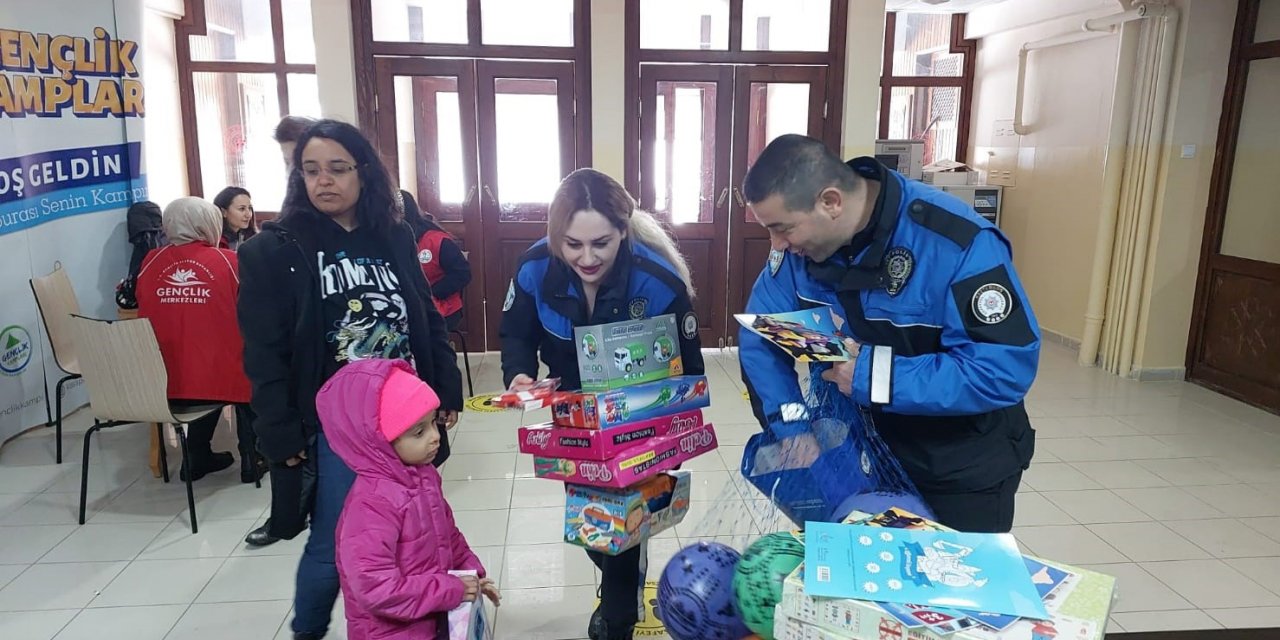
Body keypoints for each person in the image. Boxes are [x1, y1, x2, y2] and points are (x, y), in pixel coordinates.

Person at [738, 134, 1040, 534]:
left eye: (783, 228)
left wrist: (870, 376)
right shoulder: (798, 258)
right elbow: (763, 337)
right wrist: (793, 428)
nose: (776, 245)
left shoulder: (955, 242)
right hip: (854, 461)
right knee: (854, 588)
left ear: (831, 202)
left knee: (947, 589)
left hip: (957, 468)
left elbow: (1003, 366)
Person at [238, 119, 464, 640]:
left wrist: (443, 389)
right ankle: (308, 631)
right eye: (311, 170)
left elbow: (423, 317)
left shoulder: (395, 235)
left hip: (405, 412)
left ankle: (412, 619)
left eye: (338, 169)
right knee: (337, 541)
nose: (324, 181)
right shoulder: (276, 251)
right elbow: (264, 355)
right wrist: (278, 432)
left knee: (414, 526)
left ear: (364, 173)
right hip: (339, 429)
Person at [500, 168, 703, 640]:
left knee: (621, 528)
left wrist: (675, 431)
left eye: (602, 244)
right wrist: (519, 373)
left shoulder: (658, 280)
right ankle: (622, 573)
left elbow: (689, 366)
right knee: (590, 517)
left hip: (641, 414)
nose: (587, 258)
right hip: (572, 414)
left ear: (624, 232)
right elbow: (516, 330)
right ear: (556, 237)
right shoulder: (533, 268)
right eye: (572, 245)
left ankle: (617, 622)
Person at [318, 358, 500, 640]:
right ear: (378, 442)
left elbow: (448, 536)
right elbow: (375, 589)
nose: (435, 437)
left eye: (433, 423)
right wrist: (451, 589)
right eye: (419, 432)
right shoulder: (371, 505)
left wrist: (471, 574)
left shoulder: (424, 477)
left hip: (432, 616)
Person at [243, 115, 318, 548]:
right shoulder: (270, 248)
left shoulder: (376, 232)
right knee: (290, 445)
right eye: (296, 165)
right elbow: (263, 351)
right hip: (292, 366)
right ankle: (284, 519)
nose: (304, 176)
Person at [136, 197, 249, 481]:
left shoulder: (151, 261)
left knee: (199, 365)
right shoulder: (230, 261)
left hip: (160, 381)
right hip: (218, 380)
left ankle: (196, 456)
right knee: (252, 370)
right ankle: (253, 457)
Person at [400, 190, 472, 331]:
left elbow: (463, 274)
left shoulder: (436, 240)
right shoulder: (384, 242)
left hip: (438, 306)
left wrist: (430, 293)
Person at [214, 186, 258, 251]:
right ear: (224, 212)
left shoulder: (252, 237)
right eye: (242, 209)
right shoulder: (215, 241)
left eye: (249, 208)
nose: (248, 215)